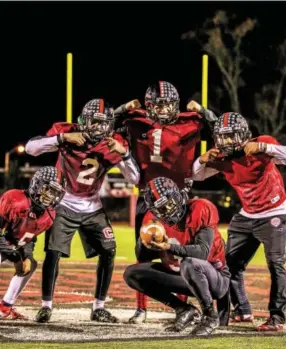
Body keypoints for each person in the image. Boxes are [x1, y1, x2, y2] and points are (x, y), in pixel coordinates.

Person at [25, 98, 140, 323]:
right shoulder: (67, 132)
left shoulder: (112, 142)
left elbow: (135, 178)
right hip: (64, 203)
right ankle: (46, 306)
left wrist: (124, 154)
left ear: (109, 125)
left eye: (102, 123)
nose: (98, 128)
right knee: (54, 252)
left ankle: (99, 307)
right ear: (82, 122)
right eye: (93, 122)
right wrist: (61, 139)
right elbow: (31, 148)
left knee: (109, 251)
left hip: (93, 206)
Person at [189, 100, 286, 331]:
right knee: (230, 265)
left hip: (273, 213)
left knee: (276, 264)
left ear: (243, 135)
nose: (226, 141)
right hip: (247, 214)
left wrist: (264, 148)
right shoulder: (222, 158)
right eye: (222, 137)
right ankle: (243, 310)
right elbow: (196, 176)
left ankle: (276, 318)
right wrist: (202, 159)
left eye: (231, 136)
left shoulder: (260, 145)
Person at [114, 81, 217, 323]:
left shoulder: (190, 119)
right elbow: (105, 125)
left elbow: (219, 127)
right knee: (143, 252)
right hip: (148, 196)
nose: (163, 110)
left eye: (169, 105)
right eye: (158, 106)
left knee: (178, 254)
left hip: (179, 196)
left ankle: (184, 307)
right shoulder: (136, 120)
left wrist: (202, 111)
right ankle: (141, 308)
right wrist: (123, 109)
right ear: (149, 106)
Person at [0, 166, 65, 329]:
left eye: (54, 192)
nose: (49, 196)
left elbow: (29, 238)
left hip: (0, 236)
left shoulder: (49, 215)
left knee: (31, 263)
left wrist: (25, 257)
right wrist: (16, 258)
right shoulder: (15, 199)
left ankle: (5, 307)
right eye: (47, 189)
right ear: (36, 185)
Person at [123, 177, 230, 336]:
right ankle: (183, 309)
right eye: (162, 209)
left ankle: (210, 315)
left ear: (177, 196)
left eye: (169, 204)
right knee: (132, 274)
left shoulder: (200, 208)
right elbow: (142, 257)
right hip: (182, 278)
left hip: (214, 279)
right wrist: (144, 241)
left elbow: (202, 252)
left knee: (190, 264)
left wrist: (168, 247)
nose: (167, 210)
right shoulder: (153, 220)